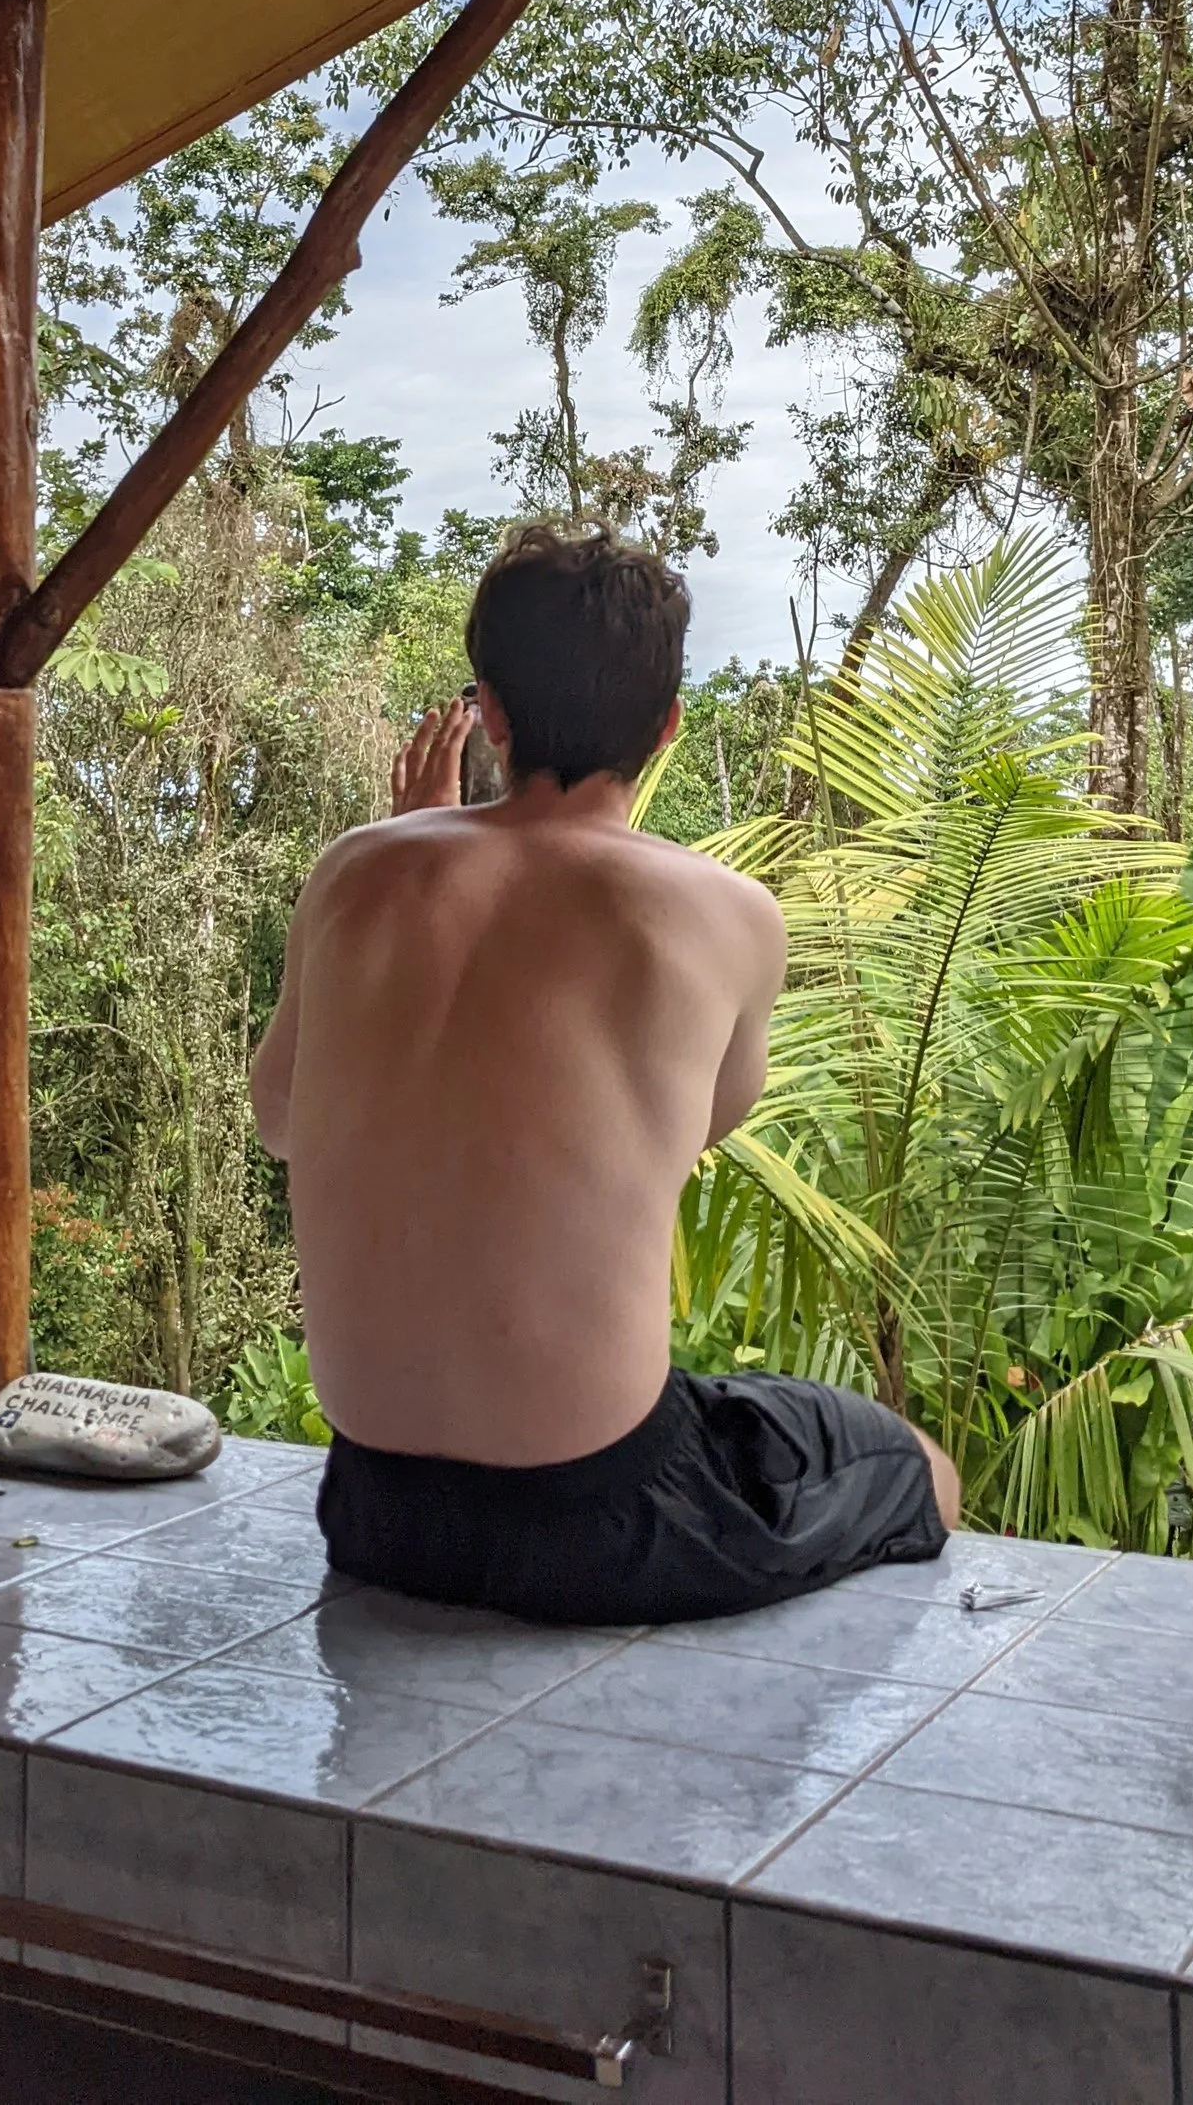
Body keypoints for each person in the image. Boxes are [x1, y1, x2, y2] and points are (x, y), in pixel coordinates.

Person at [250, 522, 957, 1627]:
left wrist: (411, 836)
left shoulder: (354, 873)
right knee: (916, 1465)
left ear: (488, 708)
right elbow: (702, 1122)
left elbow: (284, 1121)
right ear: (668, 726)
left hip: (376, 1512)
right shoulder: (722, 911)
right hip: (603, 1520)